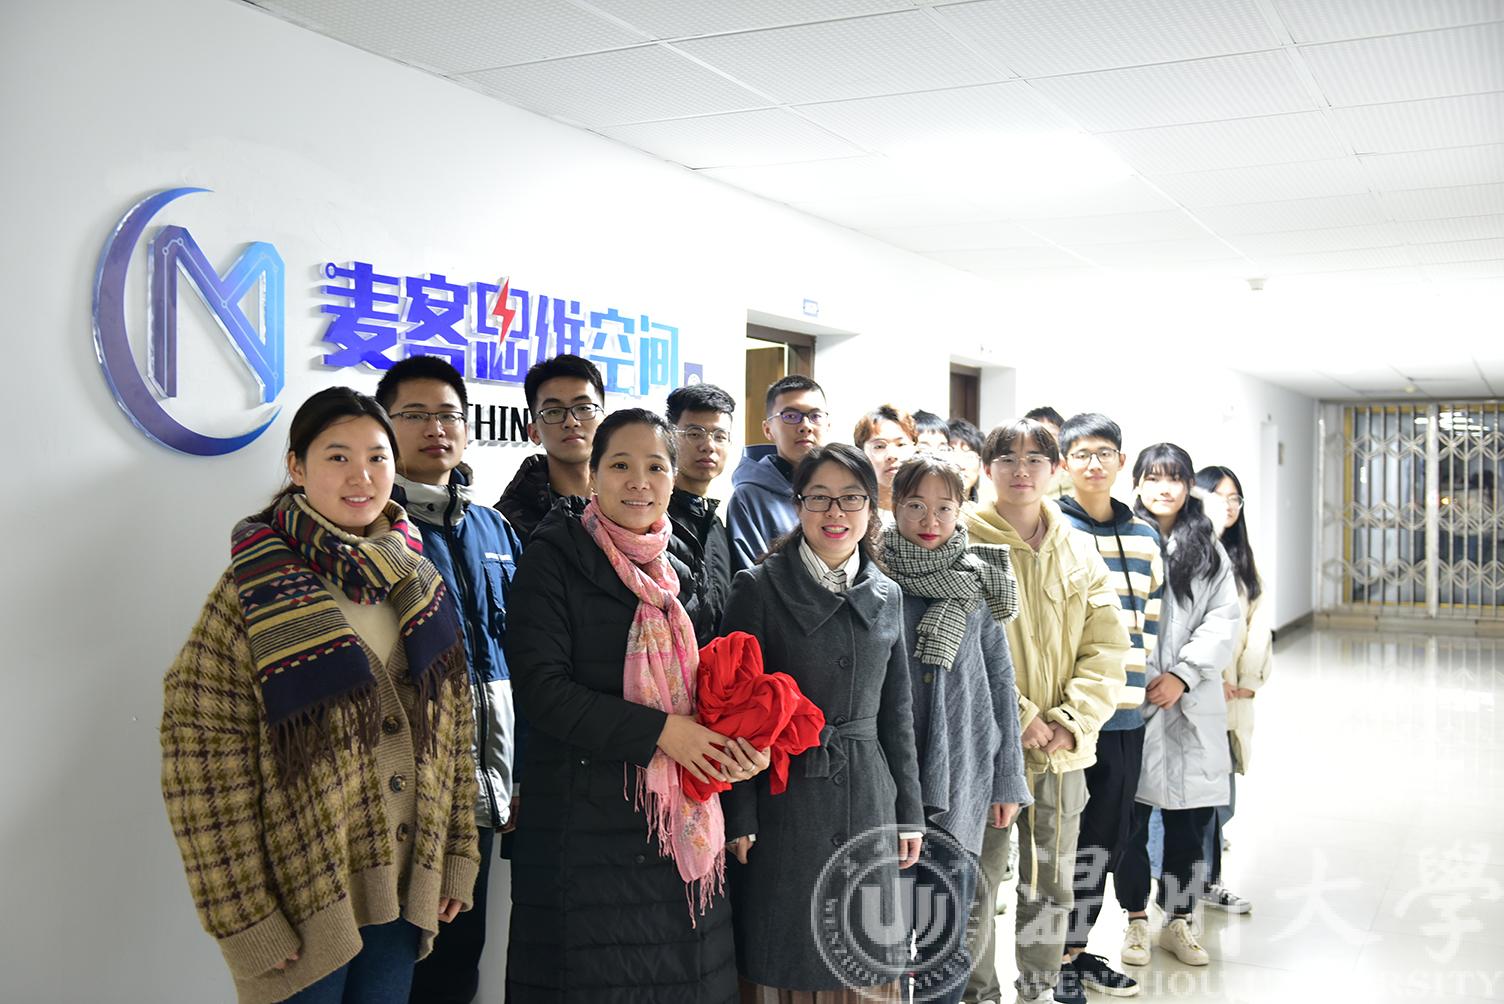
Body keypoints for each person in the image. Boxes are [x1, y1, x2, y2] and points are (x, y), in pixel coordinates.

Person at [161, 387, 480, 1004]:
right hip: (299, 899)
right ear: (297, 467)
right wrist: (244, 914)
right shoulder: (255, 588)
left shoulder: (420, 581)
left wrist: (457, 857)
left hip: (405, 889)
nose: (361, 476)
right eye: (338, 457)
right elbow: (199, 764)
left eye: (377, 457)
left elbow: (455, 732)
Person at [502, 408, 769, 1002]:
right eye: (621, 465)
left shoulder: (678, 569)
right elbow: (542, 690)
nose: (639, 482)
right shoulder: (555, 556)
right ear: (593, 475)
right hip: (584, 832)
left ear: (673, 478)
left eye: (655, 466)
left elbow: (708, 690)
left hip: (678, 828)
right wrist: (663, 733)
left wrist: (740, 746)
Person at [721, 443, 924, 1001]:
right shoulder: (758, 587)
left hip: (869, 798)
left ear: (871, 508)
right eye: (819, 498)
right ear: (798, 504)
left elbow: (897, 713)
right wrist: (739, 815)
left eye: (851, 498)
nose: (835, 513)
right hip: (782, 798)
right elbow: (731, 710)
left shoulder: (887, 593)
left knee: (866, 954)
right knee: (787, 953)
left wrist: (909, 814)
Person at [960, 419, 1129, 1004]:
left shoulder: (1078, 547)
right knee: (977, 882)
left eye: (1035, 458)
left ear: (1055, 470)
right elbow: (960, 653)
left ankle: (1039, 987)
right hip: (986, 749)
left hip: (1061, 749)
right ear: (987, 469)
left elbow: (1107, 646)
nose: (1021, 470)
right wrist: (1022, 716)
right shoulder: (961, 543)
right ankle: (978, 994)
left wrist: (1068, 720)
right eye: (1007, 458)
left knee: (1051, 883)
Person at [372, 357, 523, 1004]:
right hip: (405, 798)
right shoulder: (373, 531)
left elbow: (519, 658)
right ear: (385, 426)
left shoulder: (493, 527)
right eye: (415, 414)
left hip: (482, 797)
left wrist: (517, 776)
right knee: (393, 969)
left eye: (449, 415)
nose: (436, 428)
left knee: (459, 964)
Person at [880, 455, 1031, 1004]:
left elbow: (1000, 685)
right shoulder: (872, 581)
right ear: (893, 505)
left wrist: (1007, 780)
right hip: (889, 786)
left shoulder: (977, 583)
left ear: (961, 510)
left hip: (962, 778)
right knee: (884, 937)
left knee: (946, 939)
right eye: (916, 505)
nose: (930, 520)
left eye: (945, 508)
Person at [1053, 413, 1165, 1000]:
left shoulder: (1146, 536)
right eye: (1081, 453)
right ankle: (1050, 956)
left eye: (1104, 453)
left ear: (1122, 461)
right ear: (1064, 464)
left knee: (1106, 835)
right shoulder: (1051, 527)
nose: (1094, 463)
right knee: (1058, 838)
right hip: (1068, 716)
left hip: (1124, 711)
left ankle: (1075, 950)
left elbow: (1150, 620)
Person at [1117, 444, 1241, 969]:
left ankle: (1179, 921)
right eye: (1153, 478)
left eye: (1174, 478)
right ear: (1137, 483)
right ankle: (1135, 920)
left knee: (1190, 824)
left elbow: (1223, 619)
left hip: (1190, 699)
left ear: (1188, 486)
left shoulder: (1208, 548)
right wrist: (1145, 675)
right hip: (1134, 697)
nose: (1164, 488)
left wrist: (1182, 676)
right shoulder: (1122, 536)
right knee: (1130, 822)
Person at [1195, 464, 1272, 916]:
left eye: (1235, 499)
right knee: (1197, 802)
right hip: (1199, 693)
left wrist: (1246, 681)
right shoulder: (1190, 554)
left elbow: (1257, 624)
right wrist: (1211, 677)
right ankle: (1188, 888)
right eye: (1218, 496)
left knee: (1222, 799)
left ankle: (1205, 881)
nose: (1228, 506)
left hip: (1235, 697)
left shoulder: (1242, 559)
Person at [495, 354, 606, 542]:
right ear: (534, 433)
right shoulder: (505, 525)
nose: (571, 422)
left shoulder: (632, 501)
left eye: (584, 408)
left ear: (605, 423)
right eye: (553, 411)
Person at [726, 375, 828, 571]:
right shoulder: (748, 498)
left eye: (815, 416)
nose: (805, 426)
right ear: (768, 429)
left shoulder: (840, 491)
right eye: (790, 416)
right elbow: (751, 576)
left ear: (828, 425)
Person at [666, 382, 736, 646]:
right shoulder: (655, 520)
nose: (708, 445)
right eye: (694, 433)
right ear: (670, 436)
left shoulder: (716, 523)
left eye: (720, 436)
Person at [852, 403, 917, 524]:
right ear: (861, 454)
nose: (892, 455)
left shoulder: (933, 505)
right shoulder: (854, 511)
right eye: (879, 446)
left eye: (901, 444)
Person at [1024, 406, 1073, 502]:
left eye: (1051, 436)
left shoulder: (1077, 482)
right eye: (1038, 436)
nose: (1044, 443)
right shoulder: (1013, 478)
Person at [947, 418, 986, 504]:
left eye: (969, 456)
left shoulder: (987, 510)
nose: (960, 465)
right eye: (951, 452)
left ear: (980, 467)